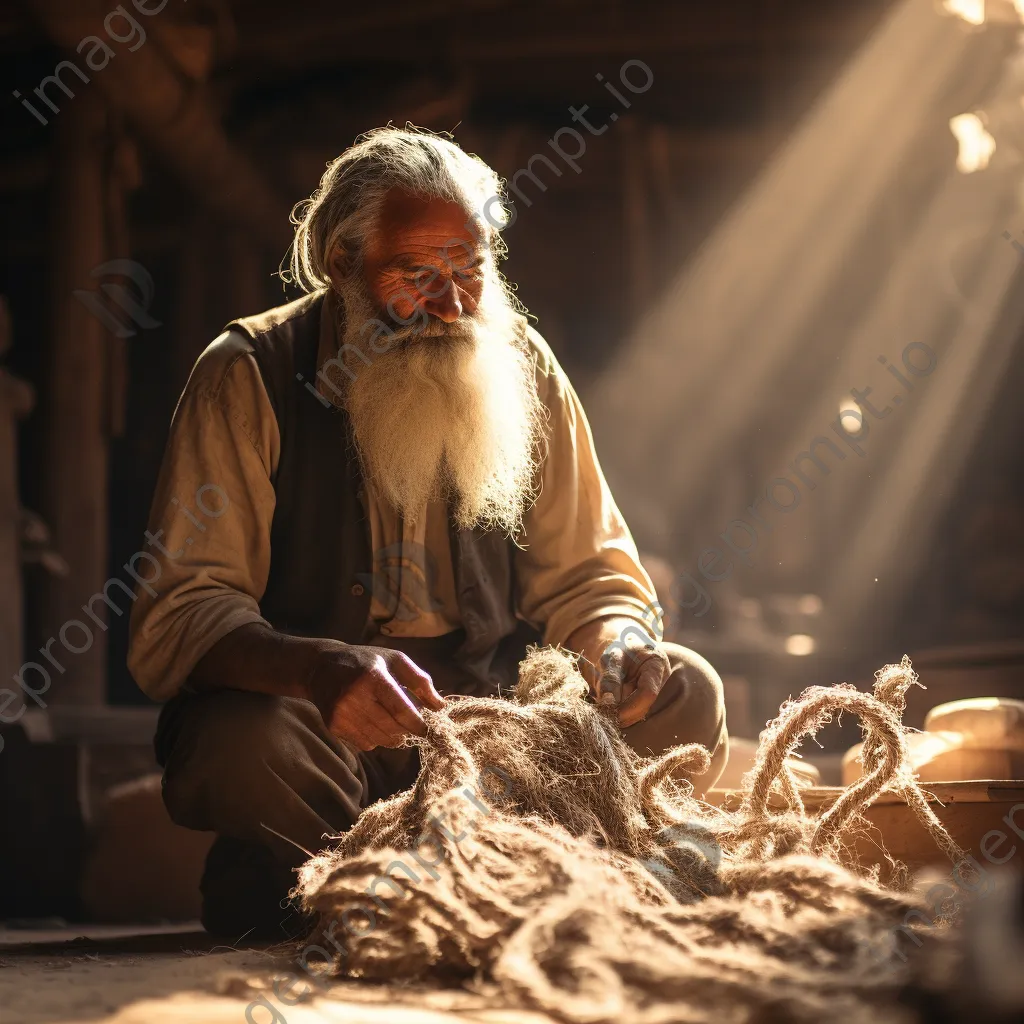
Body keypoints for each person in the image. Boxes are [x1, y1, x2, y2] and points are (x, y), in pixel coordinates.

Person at [127, 126, 728, 938]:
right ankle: (390, 885)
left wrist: (619, 643)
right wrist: (320, 668)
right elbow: (182, 612)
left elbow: (591, 575)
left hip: (495, 744)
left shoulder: (523, 367)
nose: (451, 305)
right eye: (417, 276)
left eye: (469, 273)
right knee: (241, 744)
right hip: (322, 735)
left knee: (684, 692)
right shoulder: (247, 373)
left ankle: (488, 874)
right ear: (343, 267)